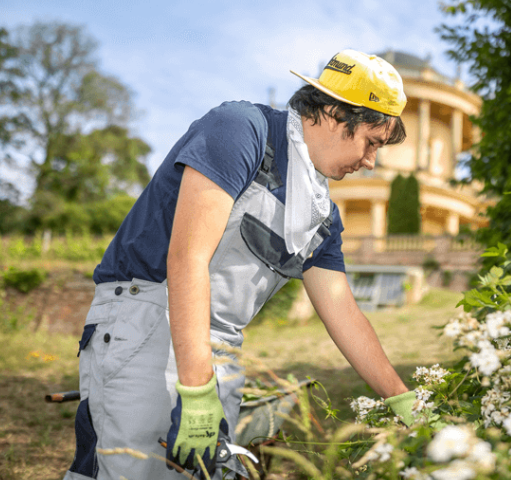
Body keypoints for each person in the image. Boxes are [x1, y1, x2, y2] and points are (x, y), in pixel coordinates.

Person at [63, 49, 420, 480]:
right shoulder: (241, 131)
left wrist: (404, 401)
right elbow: (187, 257)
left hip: (220, 348)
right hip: (145, 320)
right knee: (128, 470)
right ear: (332, 112)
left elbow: (343, 311)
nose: (370, 162)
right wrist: (196, 391)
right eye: (371, 142)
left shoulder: (320, 215)